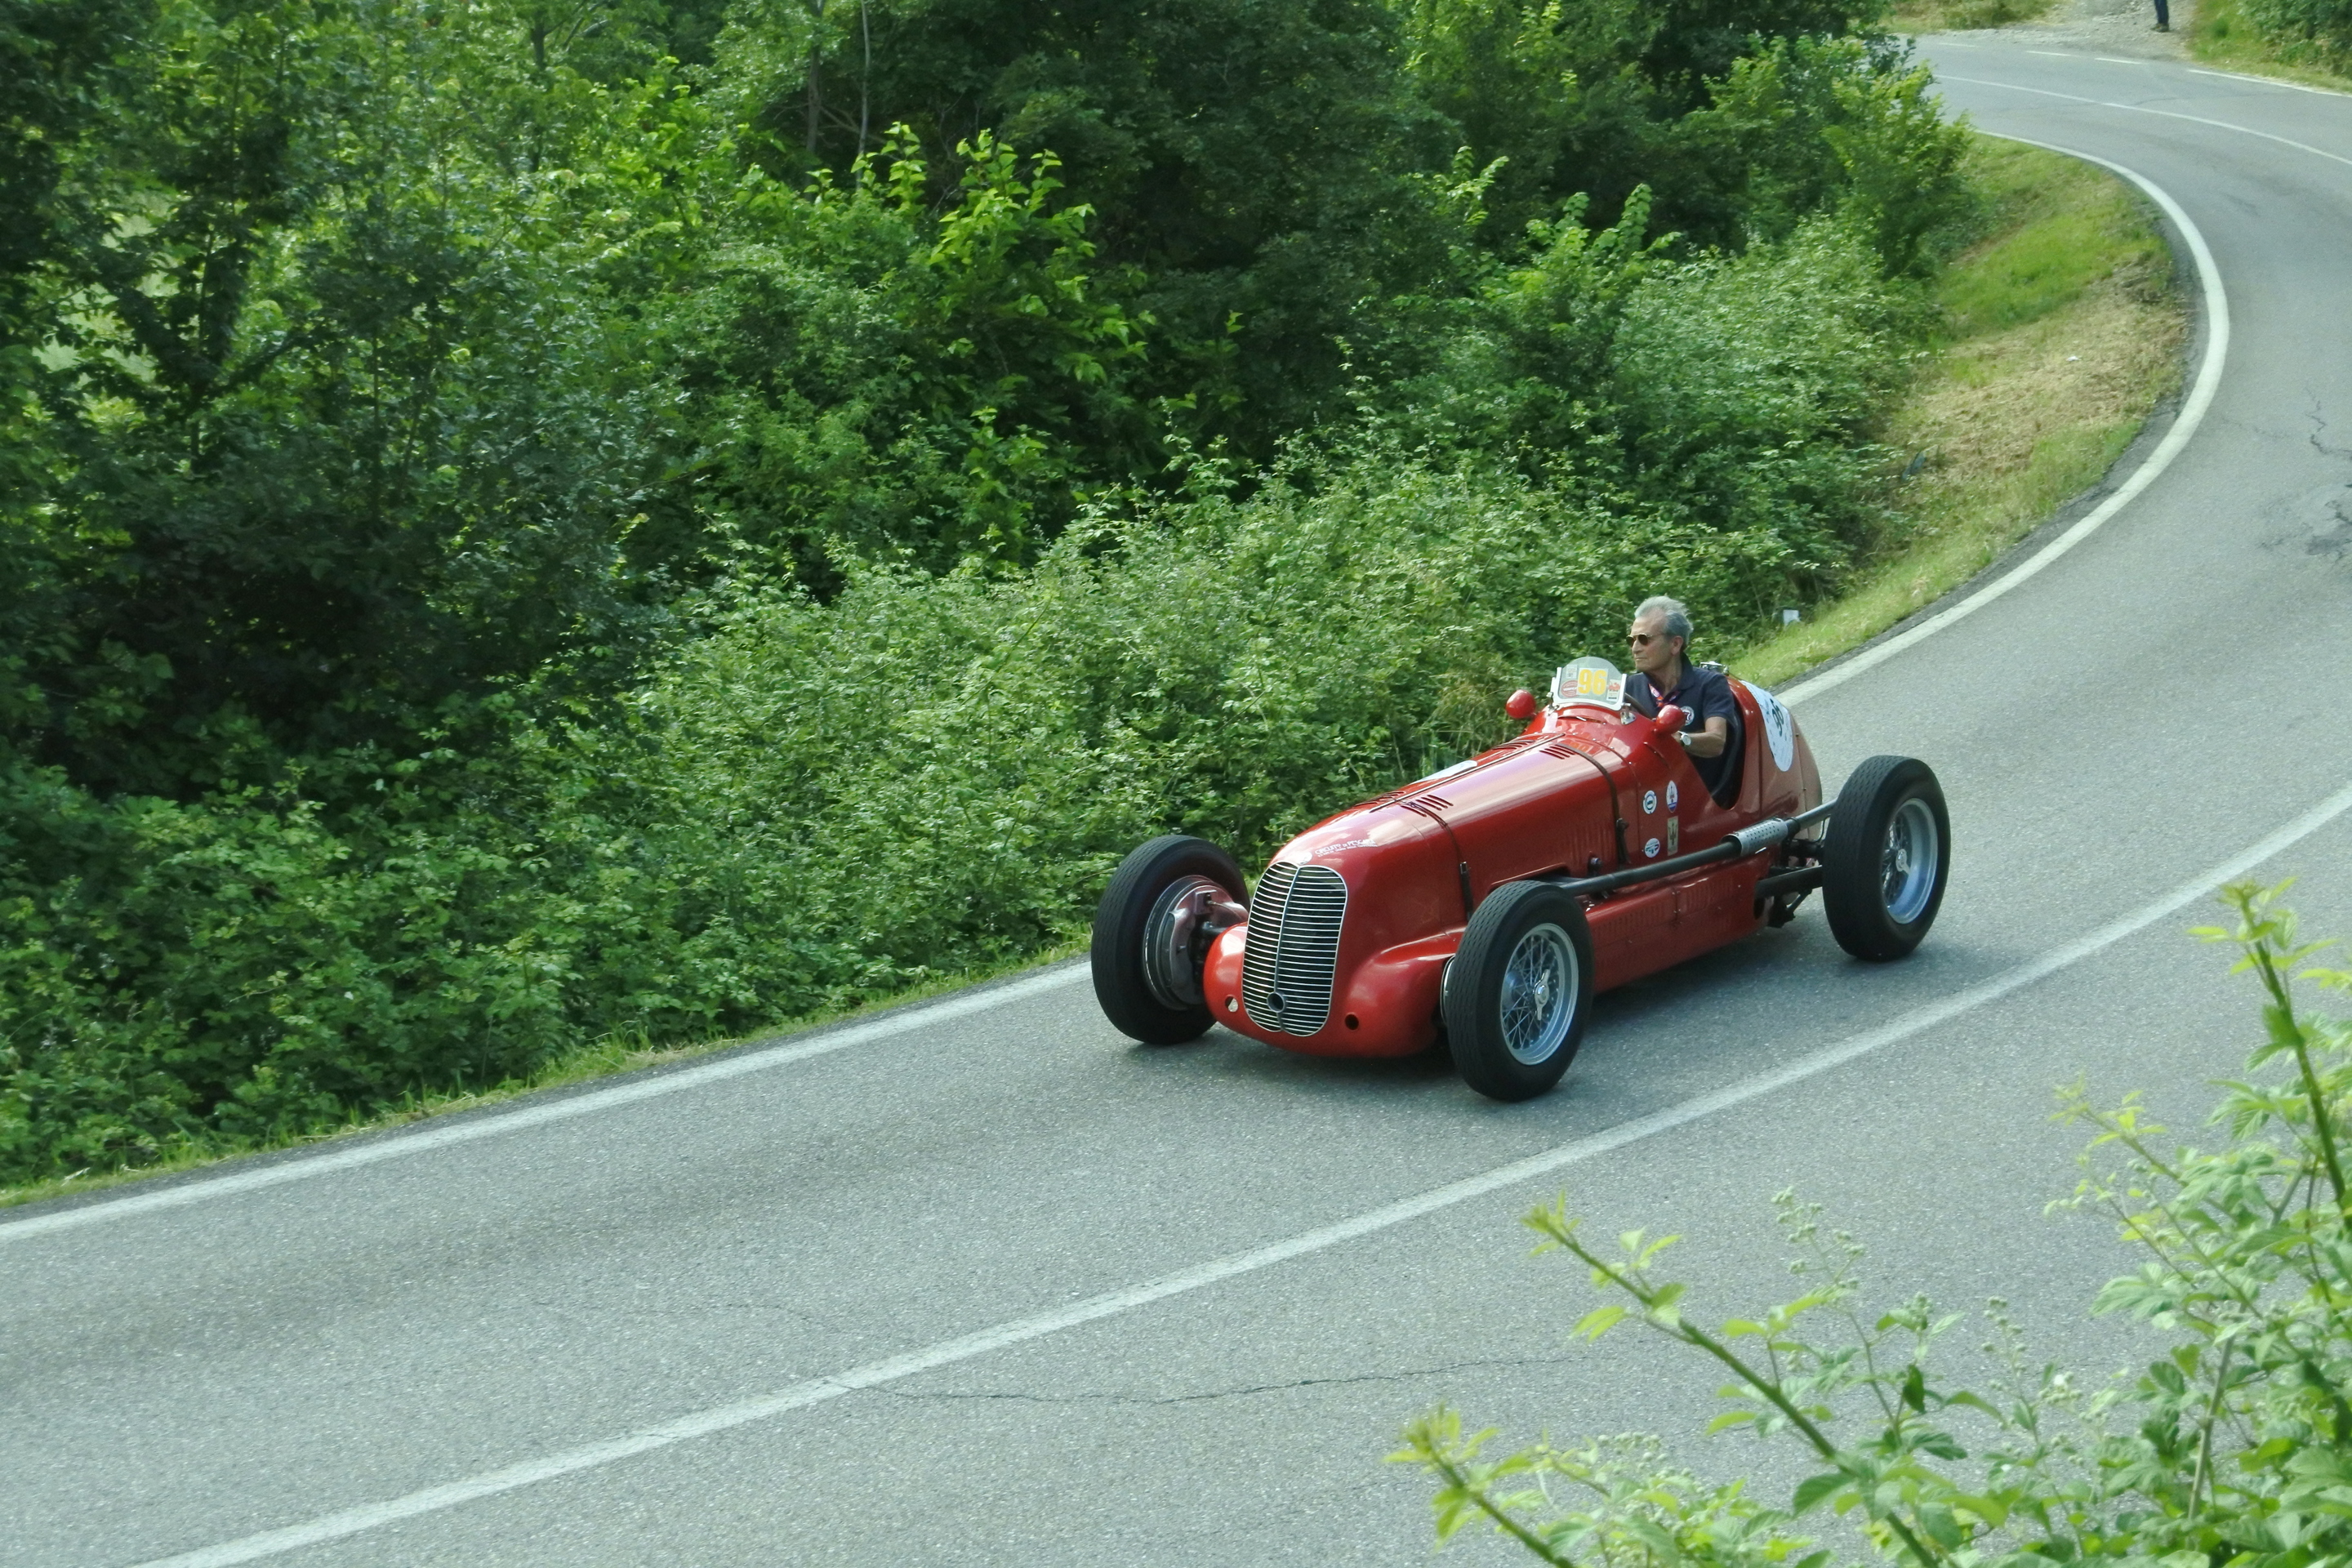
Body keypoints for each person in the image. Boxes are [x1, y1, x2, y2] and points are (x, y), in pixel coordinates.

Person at [1624, 595, 1743, 804]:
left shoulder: (1710, 683)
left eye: (1644, 639)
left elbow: (1717, 742)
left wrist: (1679, 739)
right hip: (1646, 797)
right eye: (1631, 640)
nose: (1635, 648)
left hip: (1698, 800)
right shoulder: (1626, 688)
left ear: (1675, 644)